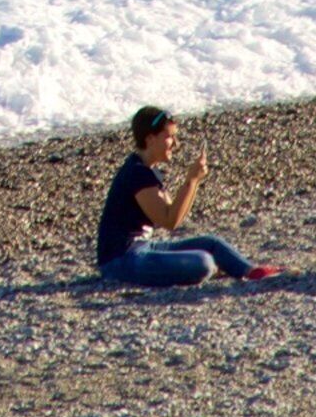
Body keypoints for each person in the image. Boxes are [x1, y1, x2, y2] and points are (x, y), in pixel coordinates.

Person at [96, 105, 283, 286]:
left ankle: (250, 271)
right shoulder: (136, 173)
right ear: (150, 138)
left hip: (142, 248)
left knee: (211, 244)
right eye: (170, 137)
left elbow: (173, 215)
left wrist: (194, 181)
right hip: (121, 260)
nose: (176, 144)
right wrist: (191, 180)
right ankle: (218, 268)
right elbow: (170, 221)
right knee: (203, 262)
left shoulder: (146, 170)